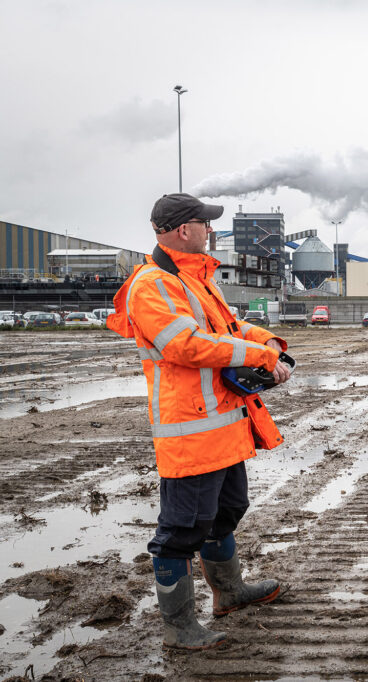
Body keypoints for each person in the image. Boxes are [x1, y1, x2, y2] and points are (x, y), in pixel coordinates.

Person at [107, 193, 292, 650]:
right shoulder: (151, 284)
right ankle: (178, 628)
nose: (210, 231)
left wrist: (268, 340)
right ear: (182, 229)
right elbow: (184, 345)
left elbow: (226, 329)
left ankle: (228, 594)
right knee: (181, 530)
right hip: (189, 430)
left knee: (228, 511)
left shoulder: (196, 279)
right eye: (204, 224)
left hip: (224, 423)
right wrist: (260, 356)